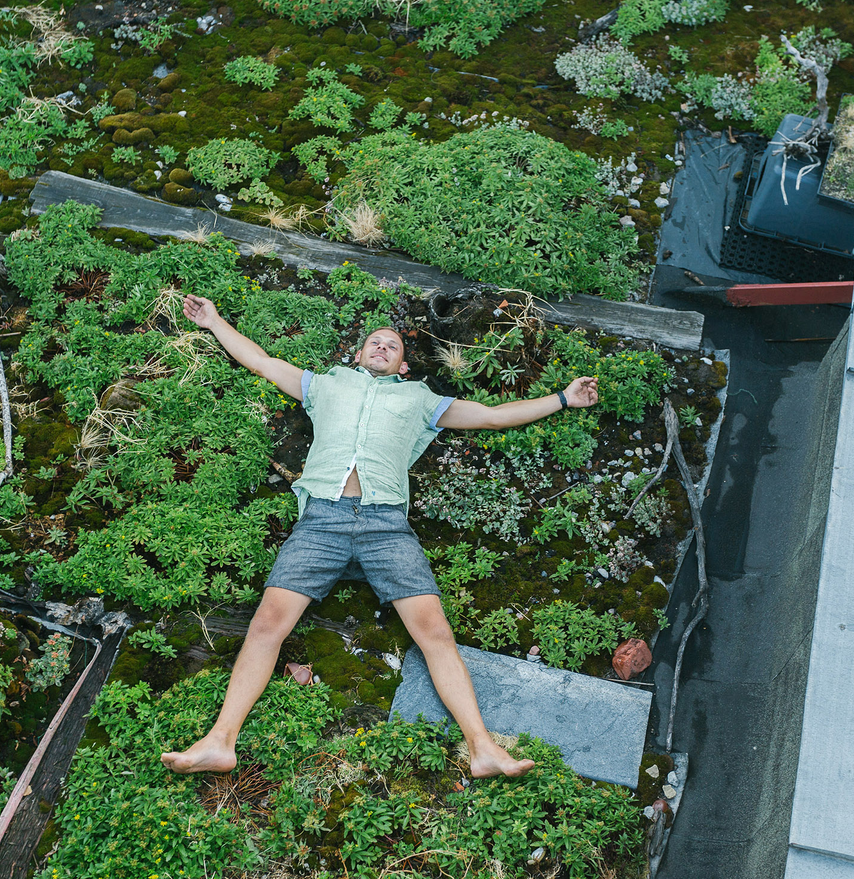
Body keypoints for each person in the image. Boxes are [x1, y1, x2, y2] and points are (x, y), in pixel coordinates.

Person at [161, 293, 599, 778]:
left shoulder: (421, 400)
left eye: (392, 345)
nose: (383, 346)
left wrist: (564, 398)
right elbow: (263, 363)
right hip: (321, 521)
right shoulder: (323, 385)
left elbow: (494, 415)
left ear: (404, 367)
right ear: (357, 355)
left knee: (434, 630)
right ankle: (220, 742)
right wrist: (214, 321)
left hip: (385, 525)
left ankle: (484, 749)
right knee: (267, 624)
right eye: (375, 342)